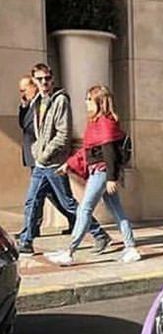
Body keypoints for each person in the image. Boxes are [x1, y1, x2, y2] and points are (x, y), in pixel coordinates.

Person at [16, 64, 111, 256]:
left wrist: (43, 155)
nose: (44, 83)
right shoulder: (38, 102)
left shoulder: (60, 101)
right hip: (41, 163)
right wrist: (37, 152)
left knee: (67, 203)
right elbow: (34, 131)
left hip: (53, 162)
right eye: (40, 79)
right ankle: (26, 241)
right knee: (32, 201)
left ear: (52, 79)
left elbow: (63, 135)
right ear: (34, 81)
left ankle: (99, 234)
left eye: (47, 79)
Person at [45, 85, 139, 266]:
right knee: (117, 211)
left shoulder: (104, 123)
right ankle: (131, 248)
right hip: (100, 172)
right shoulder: (96, 123)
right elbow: (87, 151)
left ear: (99, 102)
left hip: (102, 172)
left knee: (84, 209)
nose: (86, 102)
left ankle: (70, 251)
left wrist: (111, 177)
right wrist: (68, 164)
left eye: (89, 99)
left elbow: (109, 152)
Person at [16, 75, 74, 239]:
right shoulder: (31, 105)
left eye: (24, 89)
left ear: (33, 86)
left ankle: (92, 229)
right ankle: (29, 234)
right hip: (36, 156)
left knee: (59, 198)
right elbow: (23, 124)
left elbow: (55, 133)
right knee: (42, 196)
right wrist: (24, 105)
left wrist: (43, 155)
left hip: (46, 158)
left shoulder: (46, 103)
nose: (22, 93)